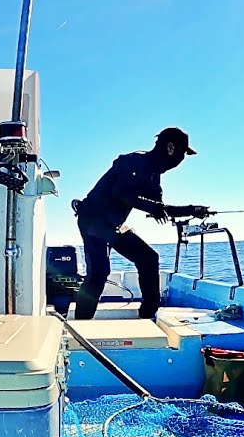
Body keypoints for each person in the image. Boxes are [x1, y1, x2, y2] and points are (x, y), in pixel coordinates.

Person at [72, 127, 209, 320]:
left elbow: (158, 207)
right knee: (99, 272)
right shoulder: (134, 161)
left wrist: (192, 210)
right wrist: (155, 208)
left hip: (114, 225)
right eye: (182, 154)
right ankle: (80, 326)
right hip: (93, 220)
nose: (181, 160)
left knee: (149, 258)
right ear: (170, 148)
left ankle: (148, 315)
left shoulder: (154, 175)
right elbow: (121, 193)